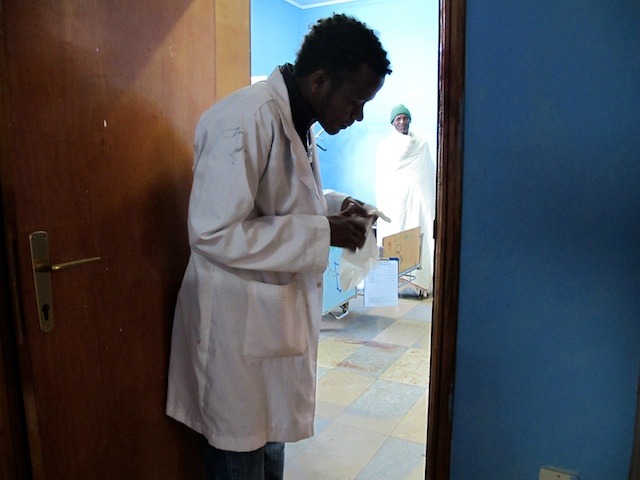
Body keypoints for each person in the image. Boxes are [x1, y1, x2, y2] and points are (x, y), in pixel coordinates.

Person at [166, 14, 392, 480]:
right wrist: (322, 232)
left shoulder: (297, 118)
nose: (358, 116)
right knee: (240, 461)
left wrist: (337, 205)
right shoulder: (243, 120)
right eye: (355, 101)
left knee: (268, 457)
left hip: (268, 336)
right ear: (320, 81)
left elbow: (282, 198)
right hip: (234, 338)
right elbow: (213, 231)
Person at [375, 104, 436, 295]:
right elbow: (383, 179)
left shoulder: (421, 144)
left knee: (419, 234)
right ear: (392, 123)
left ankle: (420, 281)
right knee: (394, 235)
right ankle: (390, 282)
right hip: (395, 204)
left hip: (417, 203)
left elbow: (426, 175)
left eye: (405, 118)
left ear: (410, 120)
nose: (402, 122)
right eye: (398, 119)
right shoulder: (385, 147)